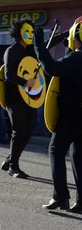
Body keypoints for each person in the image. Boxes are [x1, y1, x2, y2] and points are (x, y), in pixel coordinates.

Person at [1, 19, 65, 179]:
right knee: (19, 130)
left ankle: (10, 159)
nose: (29, 35)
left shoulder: (30, 49)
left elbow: (46, 44)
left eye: (31, 32)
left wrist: (66, 34)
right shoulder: (12, 50)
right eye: (26, 31)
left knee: (29, 130)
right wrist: (25, 81)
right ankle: (13, 167)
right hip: (14, 97)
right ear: (18, 33)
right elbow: (9, 75)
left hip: (30, 97)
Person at [35, 21, 82, 211]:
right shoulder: (75, 57)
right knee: (79, 158)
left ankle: (60, 197)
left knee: (56, 150)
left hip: (71, 115)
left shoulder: (77, 57)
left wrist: (39, 46)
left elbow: (52, 68)